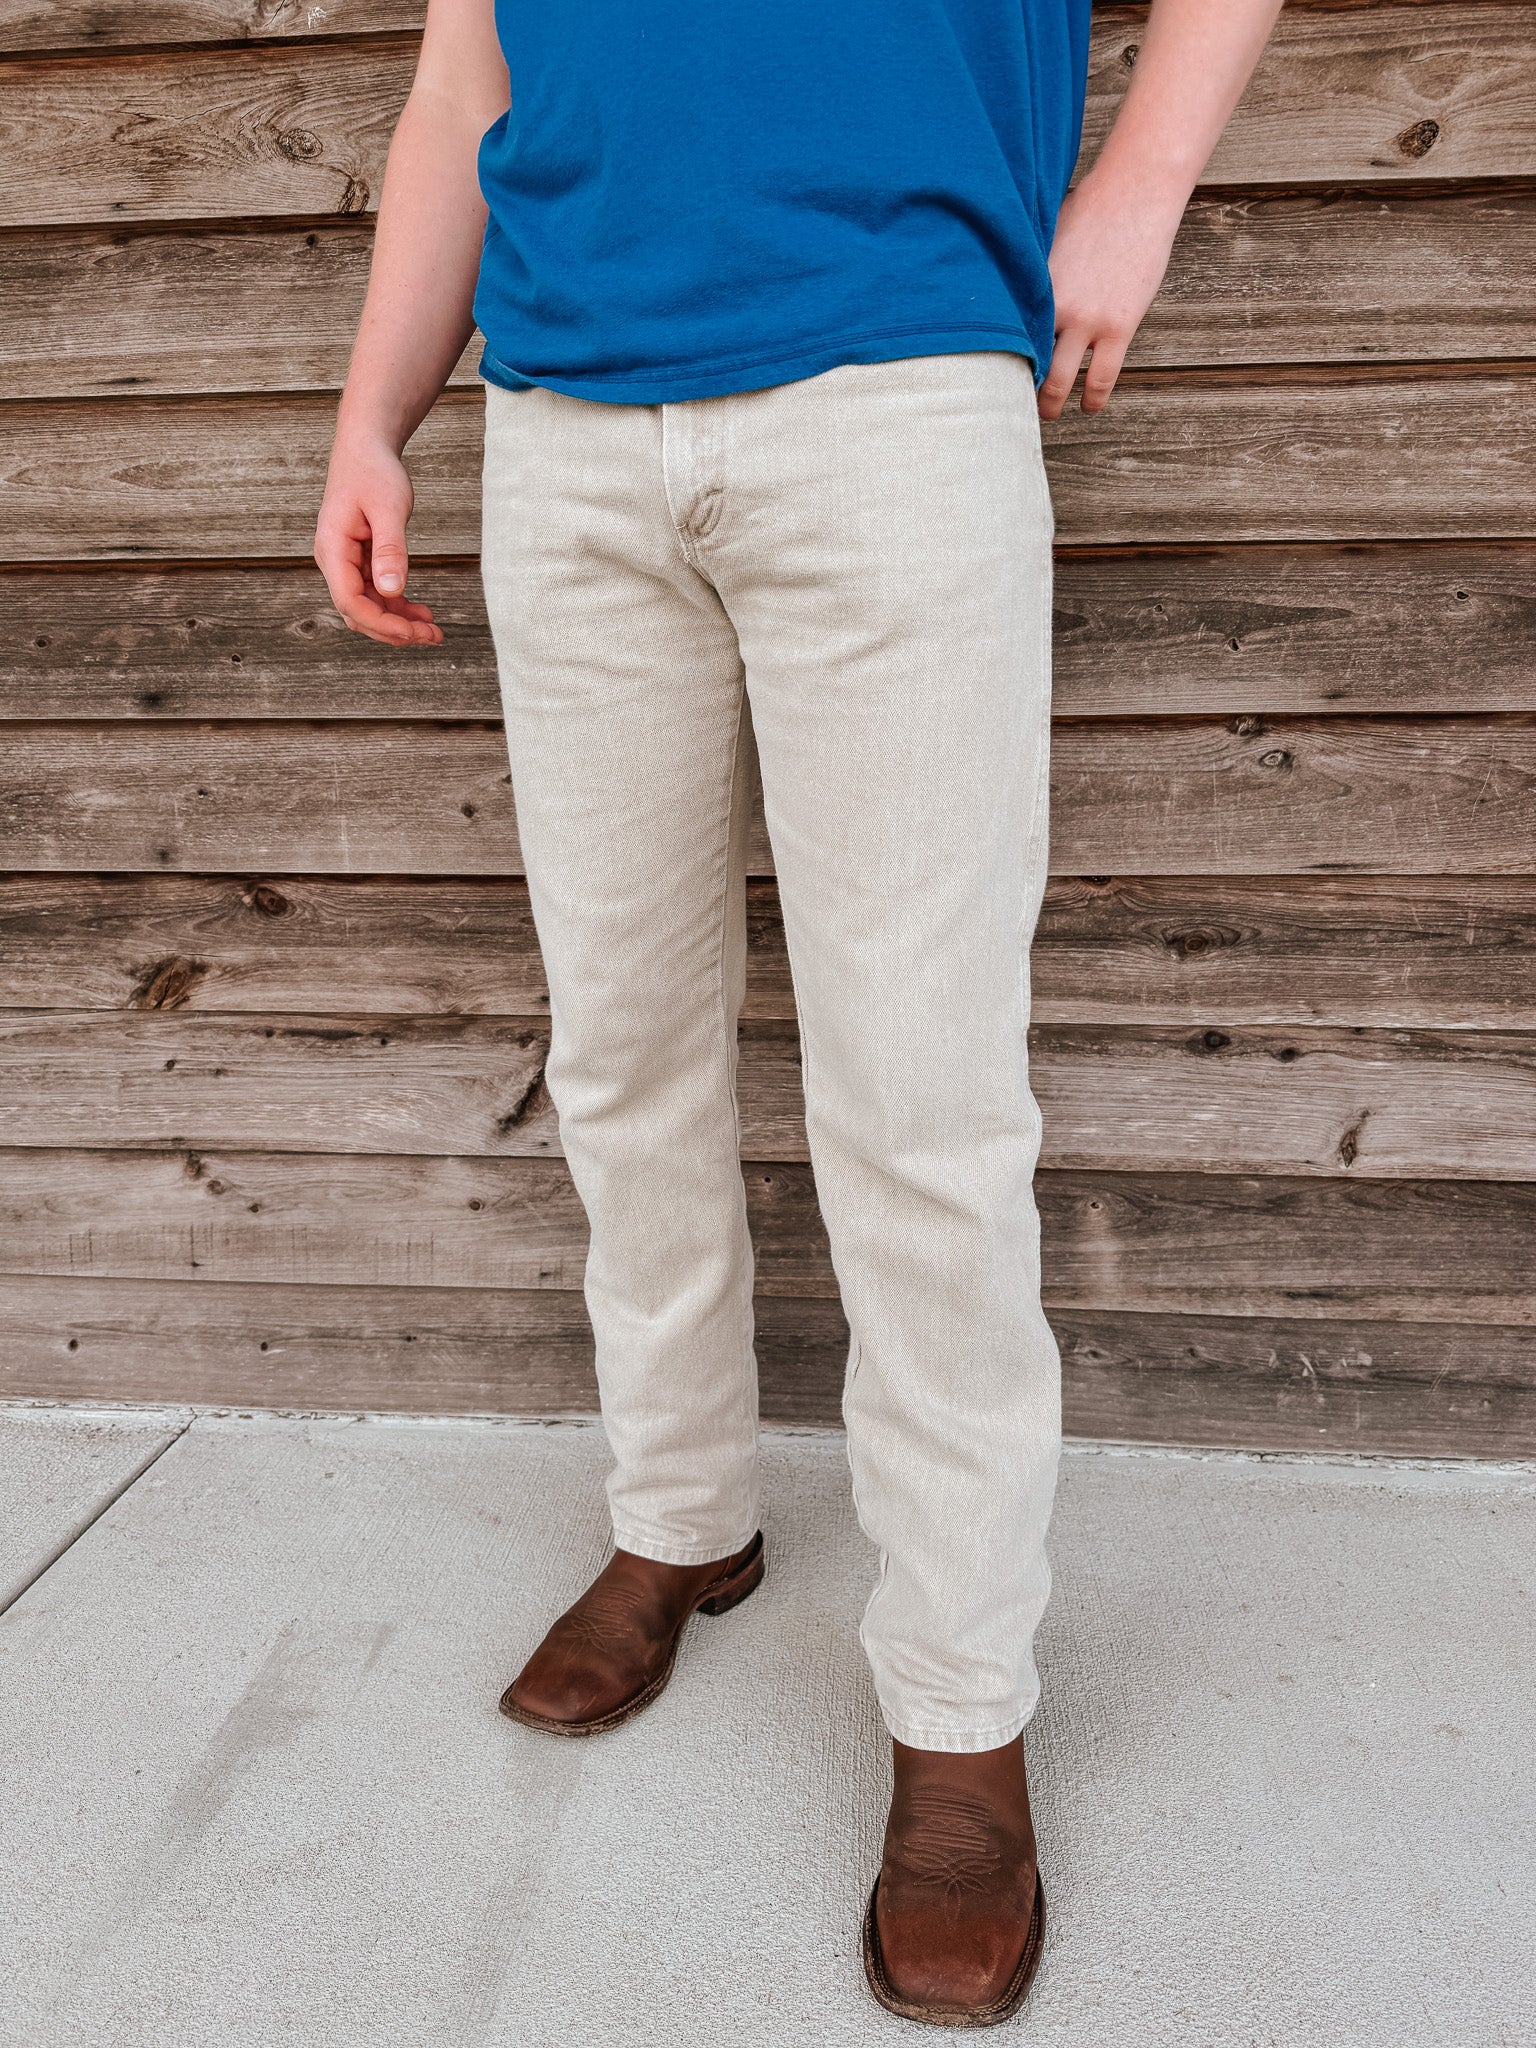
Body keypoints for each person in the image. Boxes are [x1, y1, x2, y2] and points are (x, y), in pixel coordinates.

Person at [315, 0, 1283, 2024]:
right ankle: (683, 1514)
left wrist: (1141, 184)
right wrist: (373, 408)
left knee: (922, 1100)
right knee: (623, 1043)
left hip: (894, 392)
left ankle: (960, 1705)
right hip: (565, 429)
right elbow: (461, 77)